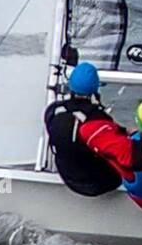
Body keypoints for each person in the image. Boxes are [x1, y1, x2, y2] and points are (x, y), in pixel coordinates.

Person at [43, 62, 123, 197]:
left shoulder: (53, 110)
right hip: (98, 184)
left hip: (67, 176)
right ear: (95, 88)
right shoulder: (99, 118)